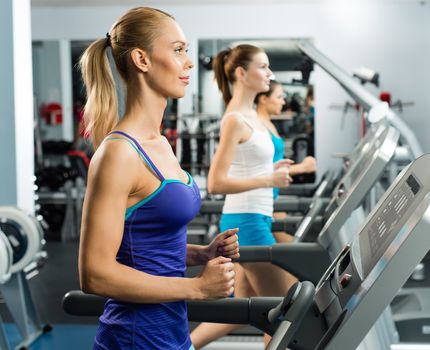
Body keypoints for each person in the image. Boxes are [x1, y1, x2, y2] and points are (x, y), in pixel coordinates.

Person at [78, 7, 240, 350]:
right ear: (142, 59)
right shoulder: (119, 153)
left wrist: (201, 254)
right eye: (178, 50)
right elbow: (94, 274)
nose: (189, 62)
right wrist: (196, 288)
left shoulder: (160, 144)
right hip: (135, 337)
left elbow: (146, 246)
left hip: (171, 331)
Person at [190, 45, 295, 348]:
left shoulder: (250, 116)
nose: (270, 74)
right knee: (284, 311)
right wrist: (268, 178)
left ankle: (183, 346)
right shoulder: (234, 118)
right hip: (247, 222)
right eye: (263, 67)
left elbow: (246, 166)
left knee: (245, 307)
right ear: (241, 73)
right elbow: (215, 182)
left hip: (252, 217)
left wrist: (272, 169)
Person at [255, 80, 317, 243]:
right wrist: (302, 167)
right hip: (262, 202)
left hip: (271, 198)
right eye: (279, 96)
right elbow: (264, 171)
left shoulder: (268, 124)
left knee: (291, 252)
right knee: (292, 255)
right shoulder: (259, 126)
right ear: (263, 99)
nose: (283, 101)